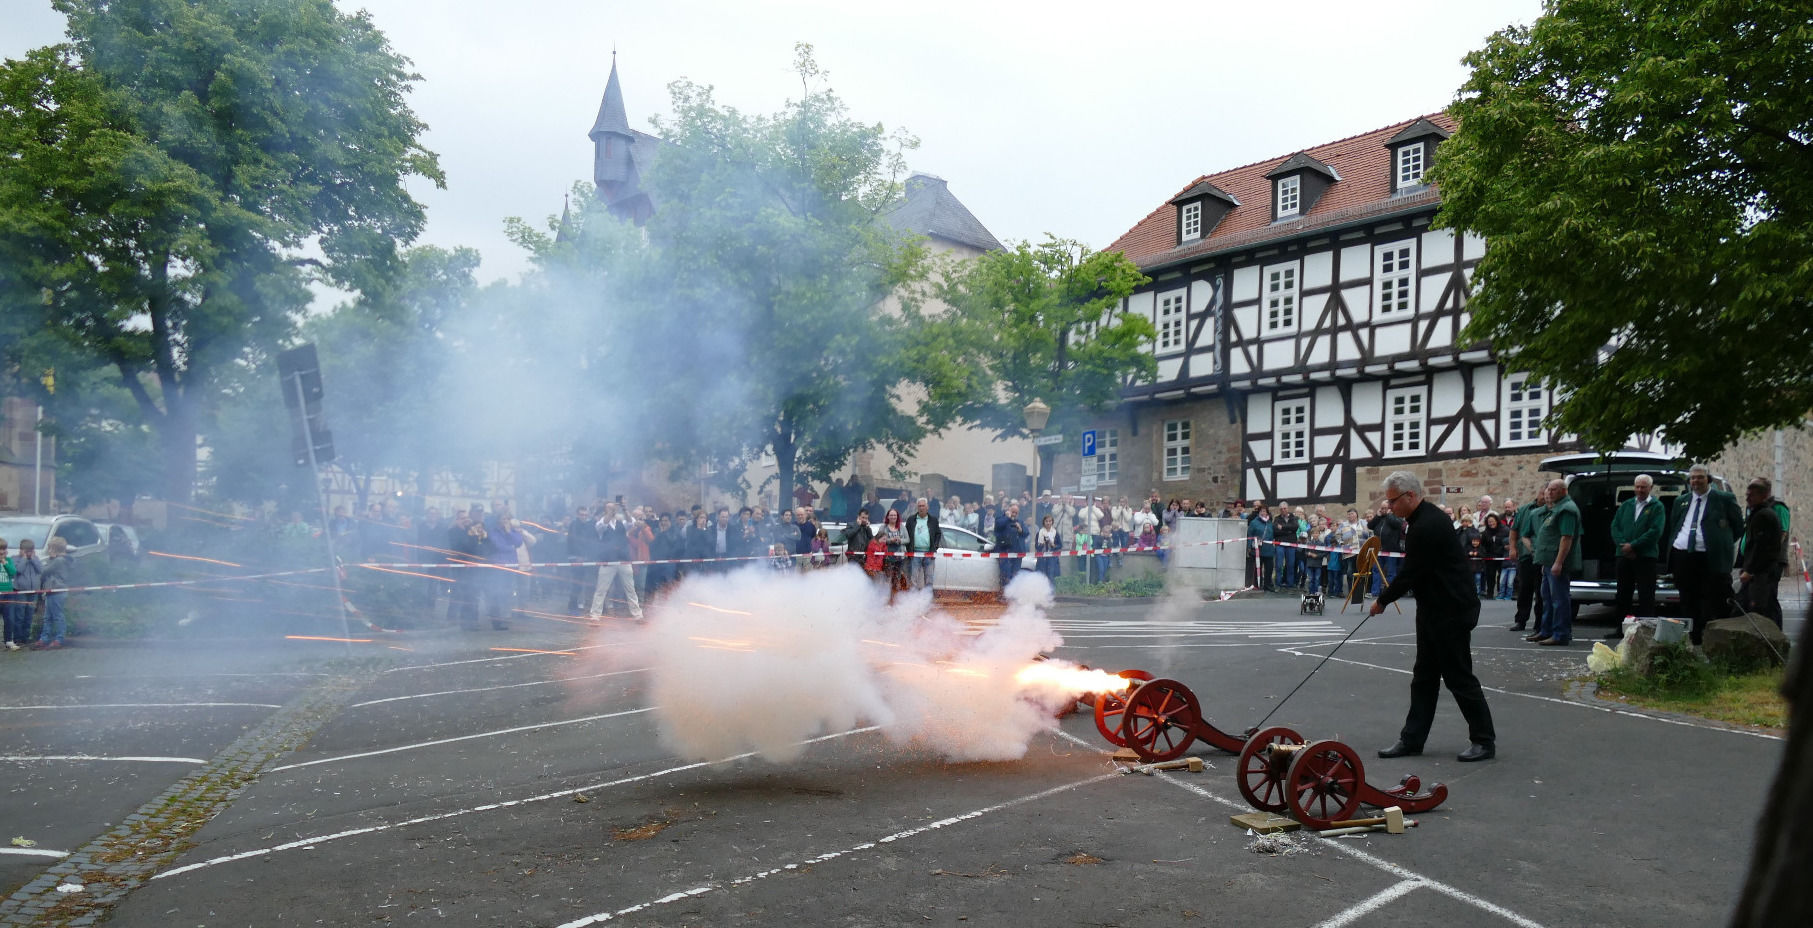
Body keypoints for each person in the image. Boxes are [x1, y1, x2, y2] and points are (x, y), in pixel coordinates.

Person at [1370, 471, 1496, 763]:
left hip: (1451, 610)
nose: (1389, 507)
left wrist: (1383, 600)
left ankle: (1483, 740)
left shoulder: (1427, 525)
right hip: (1433, 609)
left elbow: (1412, 572)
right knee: (1424, 677)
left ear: (1410, 496)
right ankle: (1412, 739)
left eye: (1393, 501)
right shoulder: (1418, 521)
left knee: (1458, 676)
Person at [1665, 463, 1745, 646]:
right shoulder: (1681, 501)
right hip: (1684, 555)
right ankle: (1692, 637)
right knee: (1687, 597)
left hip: (1709, 557)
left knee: (1711, 598)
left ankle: (1710, 638)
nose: (1696, 481)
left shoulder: (1724, 499)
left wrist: (1721, 543)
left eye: (1700, 477)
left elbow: (1738, 527)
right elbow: (1674, 525)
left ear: (1708, 479)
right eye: (1693, 478)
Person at [1606, 473, 1665, 637]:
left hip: (1645, 557)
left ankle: (1646, 631)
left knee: (1646, 595)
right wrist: (1624, 545)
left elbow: (1655, 531)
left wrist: (1634, 546)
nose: (1640, 490)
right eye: (1637, 486)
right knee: (1623, 593)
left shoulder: (1657, 507)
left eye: (1643, 487)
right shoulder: (1626, 505)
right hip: (1623, 556)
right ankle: (1621, 629)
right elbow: (1615, 527)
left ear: (1650, 488)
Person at [1527, 478, 1582, 646]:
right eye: (1548, 490)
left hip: (1557, 563)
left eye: (1554, 490)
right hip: (1549, 562)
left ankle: (1560, 634)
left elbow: (1566, 538)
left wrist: (1558, 563)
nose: (1549, 493)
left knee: (1559, 599)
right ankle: (1546, 630)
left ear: (1563, 491)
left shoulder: (1566, 510)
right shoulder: (1557, 508)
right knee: (1548, 599)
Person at [1737, 477, 1791, 627]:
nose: (1748, 498)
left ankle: (1772, 636)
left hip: (1764, 568)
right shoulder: (1755, 512)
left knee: (1765, 604)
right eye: (1747, 494)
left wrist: (1750, 569)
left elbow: (1764, 545)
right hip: (1754, 566)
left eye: (1752, 495)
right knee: (1749, 602)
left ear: (1765, 495)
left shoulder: (1769, 512)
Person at [590, 503, 643, 621]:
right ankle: (595, 616)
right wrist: (610, 513)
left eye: (613, 507)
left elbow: (631, 522)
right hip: (608, 561)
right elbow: (602, 525)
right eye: (609, 508)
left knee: (630, 589)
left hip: (623, 560)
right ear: (605, 511)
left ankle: (638, 615)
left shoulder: (621, 523)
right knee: (601, 589)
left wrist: (625, 509)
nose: (612, 509)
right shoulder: (600, 523)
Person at [1508, 486, 1547, 632]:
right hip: (1525, 555)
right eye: (1543, 493)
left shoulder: (1551, 510)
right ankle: (1521, 620)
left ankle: (1539, 623)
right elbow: (1514, 530)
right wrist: (1512, 548)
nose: (1545, 496)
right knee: (1525, 589)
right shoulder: (1525, 509)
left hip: (1542, 556)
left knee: (1541, 591)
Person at [32, 537, 74, 650]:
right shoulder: (58, 560)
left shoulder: (58, 561)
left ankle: (59, 639)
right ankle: (44, 639)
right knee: (48, 617)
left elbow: (44, 571)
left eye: (50, 548)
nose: (48, 551)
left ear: (55, 549)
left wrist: (46, 560)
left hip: (57, 591)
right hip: (52, 591)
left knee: (57, 616)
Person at [904, 498, 941, 591]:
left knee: (929, 579)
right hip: (915, 553)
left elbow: (938, 534)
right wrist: (909, 550)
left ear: (927, 507)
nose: (921, 508)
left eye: (923, 506)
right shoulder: (911, 519)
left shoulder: (933, 520)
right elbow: (906, 534)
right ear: (917, 507)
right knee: (913, 579)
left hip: (929, 553)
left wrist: (935, 546)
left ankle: (927, 599)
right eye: (919, 506)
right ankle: (912, 598)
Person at [995, 503, 1028, 587]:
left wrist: (1020, 529)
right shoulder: (1001, 518)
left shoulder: (1020, 521)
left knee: (1015, 574)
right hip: (1004, 551)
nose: (1014, 514)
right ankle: (1003, 594)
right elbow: (998, 526)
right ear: (1008, 510)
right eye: (1013, 512)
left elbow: (1026, 533)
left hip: (1017, 552)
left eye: (1016, 513)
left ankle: (1013, 593)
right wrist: (1007, 518)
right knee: (1005, 574)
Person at [1477, 512, 1508, 601]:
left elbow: (1508, 542)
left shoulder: (1505, 530)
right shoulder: (1486, 532)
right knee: (1490, 576)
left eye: (1492, 521)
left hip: (1502, 556)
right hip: (1490, 557)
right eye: (1489, 522)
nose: (1491, 523)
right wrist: (1484, 554)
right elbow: (1482, 545)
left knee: (1501, 575)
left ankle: (1500, 593)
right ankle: (1490, 593)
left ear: (1497, 521)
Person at [877, 507, 907, 592]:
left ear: (897, 516)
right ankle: (884, 596)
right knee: (886, 579)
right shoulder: (883, 527)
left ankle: (894, 597)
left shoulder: (901, 527)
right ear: (888, 516)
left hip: (899, 558)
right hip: (887, 558)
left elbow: (908, 540)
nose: (893, 517)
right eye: (891, 515)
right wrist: (890, 540)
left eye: (895, 515)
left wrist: (900, 540)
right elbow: (878, 540)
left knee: (896, 578)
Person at [1035, 514, 1063, 582]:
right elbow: (1036, 547)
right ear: (1044, 522)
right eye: (1046, 521)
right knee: (1041, 576)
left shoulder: (1055, 533)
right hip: (1042, 558)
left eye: (1050, 521)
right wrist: (1042, 544)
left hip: (1052, 558)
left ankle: (1051, 591)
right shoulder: (1040, 533)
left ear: (1052, 522)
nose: (1048, 523)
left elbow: (1060, 545)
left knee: (1051, 576)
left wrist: (1054, 546)